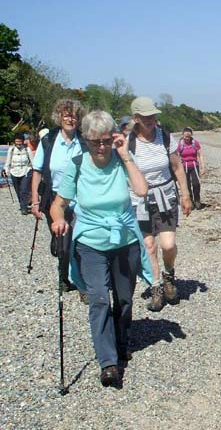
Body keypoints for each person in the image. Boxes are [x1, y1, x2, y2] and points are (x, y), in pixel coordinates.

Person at [50, 110, 152, 388]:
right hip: (90, 243)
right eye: (95, 141)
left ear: (113, 138)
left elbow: (142, 190)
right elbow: (58, 203)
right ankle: (108, 362)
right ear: (86, 140)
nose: (102, 147)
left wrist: (126, 154)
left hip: (125, 242)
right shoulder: (78, 164)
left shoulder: (121, 160)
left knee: (124, 300)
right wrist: (58, 219)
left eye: (106, 140)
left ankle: (121, 341)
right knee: (98, 299)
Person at [129, 96, 192, 311]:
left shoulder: (165, 138)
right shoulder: (128, 142)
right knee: (149, 246)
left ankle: (169, 274)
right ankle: (156, 287)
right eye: (145, 116)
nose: (150, 119)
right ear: (136, 118)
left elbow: (177, 168)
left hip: (166, 197)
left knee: (168, 244)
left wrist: (185, 195)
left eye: (153, 115)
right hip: (139, 200)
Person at [30, 99, 87, 300]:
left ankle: (83, 285)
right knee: (62, 243)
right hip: (54, 200)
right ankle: (64, 276)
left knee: (79, 242)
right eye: (66, 114)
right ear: (59, 117)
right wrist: (35, 200)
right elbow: (37, 171)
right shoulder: (48, 141)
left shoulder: (85, 140)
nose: (70, 118)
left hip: (80, 200)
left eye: (73, 115)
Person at [2, 133, 33, 215]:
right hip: (14, 172)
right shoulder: (11, 150)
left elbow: (32, 162)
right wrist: (5, 170)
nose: (18, 144)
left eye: (20, 142)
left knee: (24, 189)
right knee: (18, 190)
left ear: (23, 141)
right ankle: (23, 203)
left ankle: (24, 207)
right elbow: (8, 161)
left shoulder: (27, 150)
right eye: (17, 142)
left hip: (25, 171)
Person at [178, 127, 205, 209]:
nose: (187, 138)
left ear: (191, 136)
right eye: (185, 136)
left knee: (196, 183)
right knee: (187, 185)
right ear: (182, 135)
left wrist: (203, 167)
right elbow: (176, 156)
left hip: (194, 165)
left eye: (189, 136)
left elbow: (200, 155)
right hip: (184, 166)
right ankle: (190, 201)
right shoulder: (180, 144)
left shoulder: (195, 143)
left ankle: (197, 200)